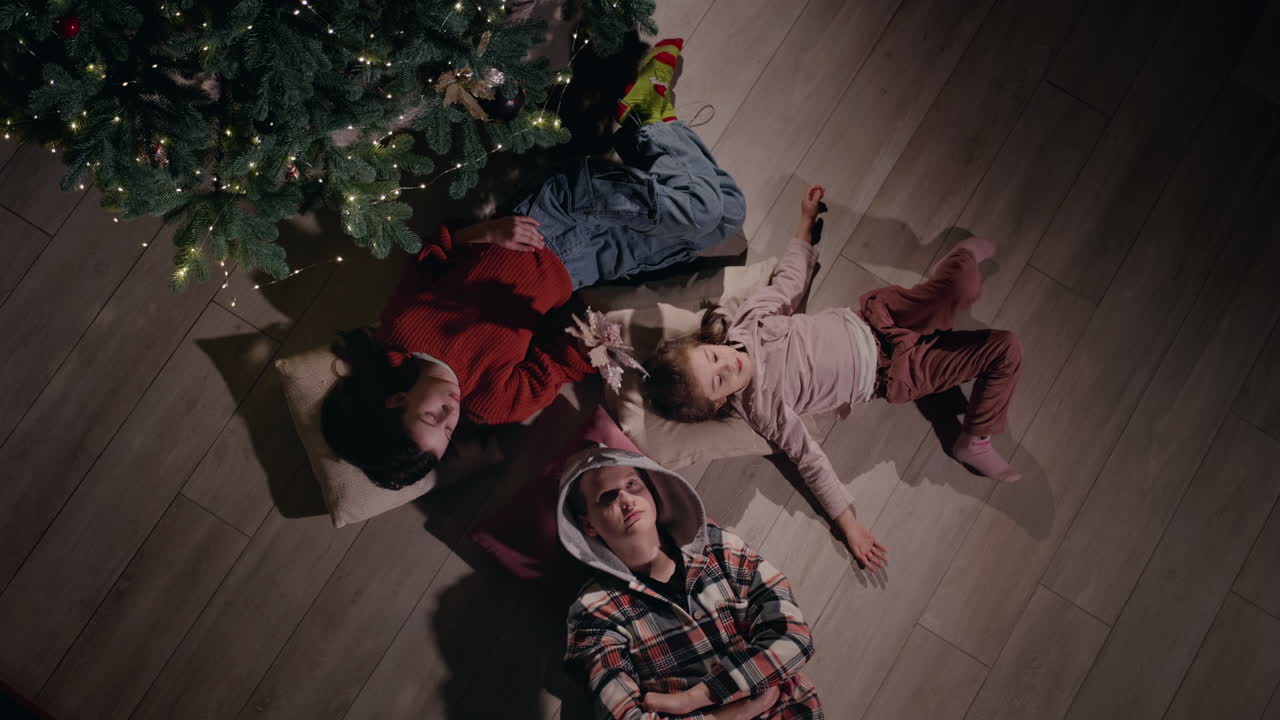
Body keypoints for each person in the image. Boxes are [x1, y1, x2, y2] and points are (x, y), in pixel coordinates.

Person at [322, 38, 747, 489]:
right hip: (587, 266)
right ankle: (648, 121)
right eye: (449, 430)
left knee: (700, 210)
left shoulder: (402, 334)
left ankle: (644, 121)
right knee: (727, 215)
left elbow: (430, 249)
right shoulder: (493, 403)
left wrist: (488, 232)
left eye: (433, 415)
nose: (452, 411)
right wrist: (601, 345)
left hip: (547, 215)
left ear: (396, 400)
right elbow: (565, 362)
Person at [642, 186, 1024, 571]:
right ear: (720, 402)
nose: (728, 365)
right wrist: (849, 525)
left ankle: (957, 262)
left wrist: (805, 225)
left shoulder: (748, 324)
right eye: (719, 381)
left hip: (881, 318)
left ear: (708, 341)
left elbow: (788, 283)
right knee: (1005, 348)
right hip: (895, 372)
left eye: (713, 357)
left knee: (960, 286)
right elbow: (809, 460)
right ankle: (974, 438)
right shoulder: (764, 407)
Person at [558, 446, 823, 719]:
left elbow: (794, 638)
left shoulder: (718, 548)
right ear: (588, 525)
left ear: (651, 493)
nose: (627, 499)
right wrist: (729, 715)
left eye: (632, 484)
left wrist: (694, 699)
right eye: (608, 496)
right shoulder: (593, 611)